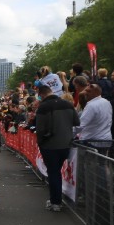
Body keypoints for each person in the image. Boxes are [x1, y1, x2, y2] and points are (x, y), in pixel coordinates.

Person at [34, 83, 78, 212]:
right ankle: (56, 200)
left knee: (53, 173)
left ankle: (55, 202)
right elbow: (77, 122)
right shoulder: (68, 104)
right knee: (57, 172)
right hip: (65, 144)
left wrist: (40, 143)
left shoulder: (43, 107)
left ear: (42, 95)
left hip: (50, 145)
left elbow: (40, 129)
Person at [76, 84, 113, 150]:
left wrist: (69, 135)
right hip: (106, 141)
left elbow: (81, 125)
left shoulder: (91, 105)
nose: (85, 93)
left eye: (88, 91)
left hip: (91, 142)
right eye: (85, 91)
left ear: (96, 92)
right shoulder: (107, 102)